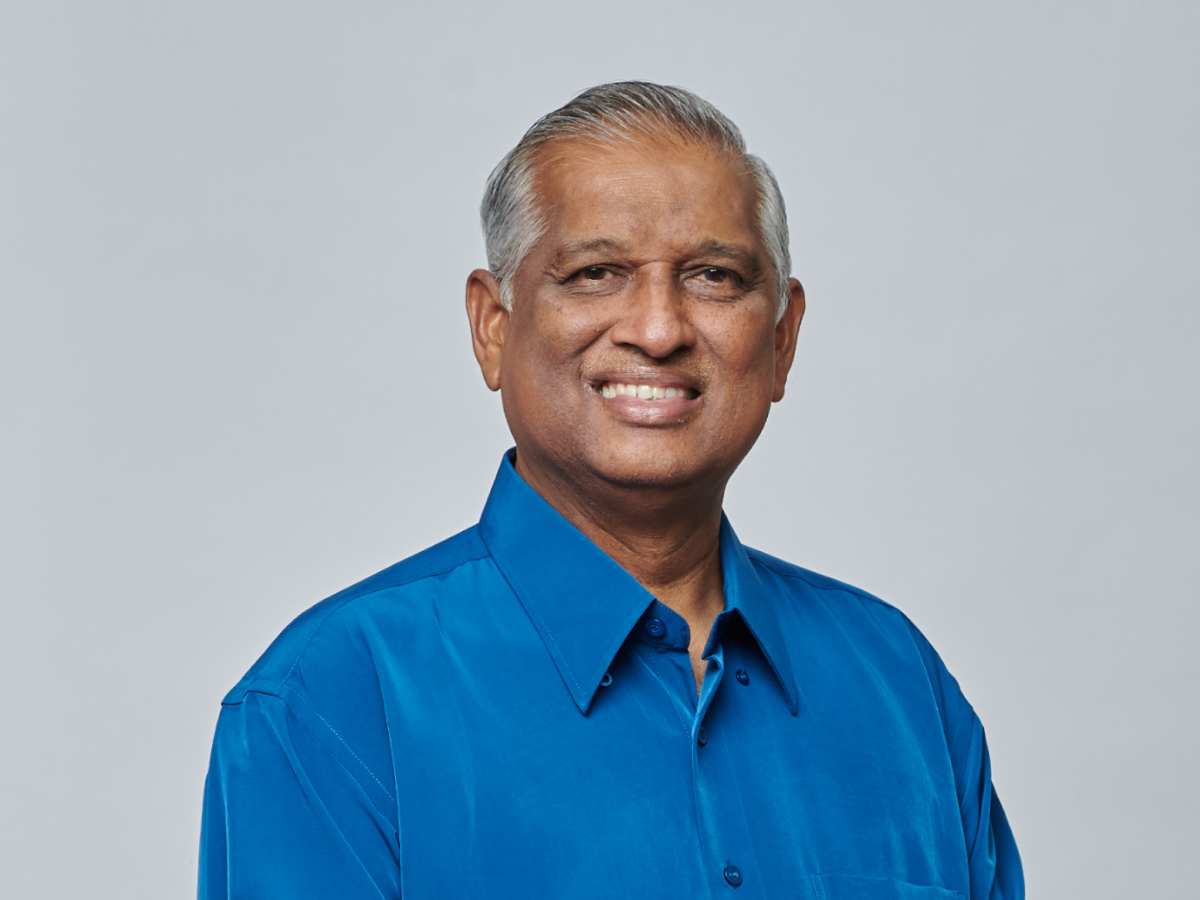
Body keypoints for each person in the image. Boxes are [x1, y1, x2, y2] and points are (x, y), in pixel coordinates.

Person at [199, 81, 1023, 900]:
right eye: (596, 273)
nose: (659, 329)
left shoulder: (900, 685)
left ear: (782, 337)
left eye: (713, 275)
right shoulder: (331, 702)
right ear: (493, 327)